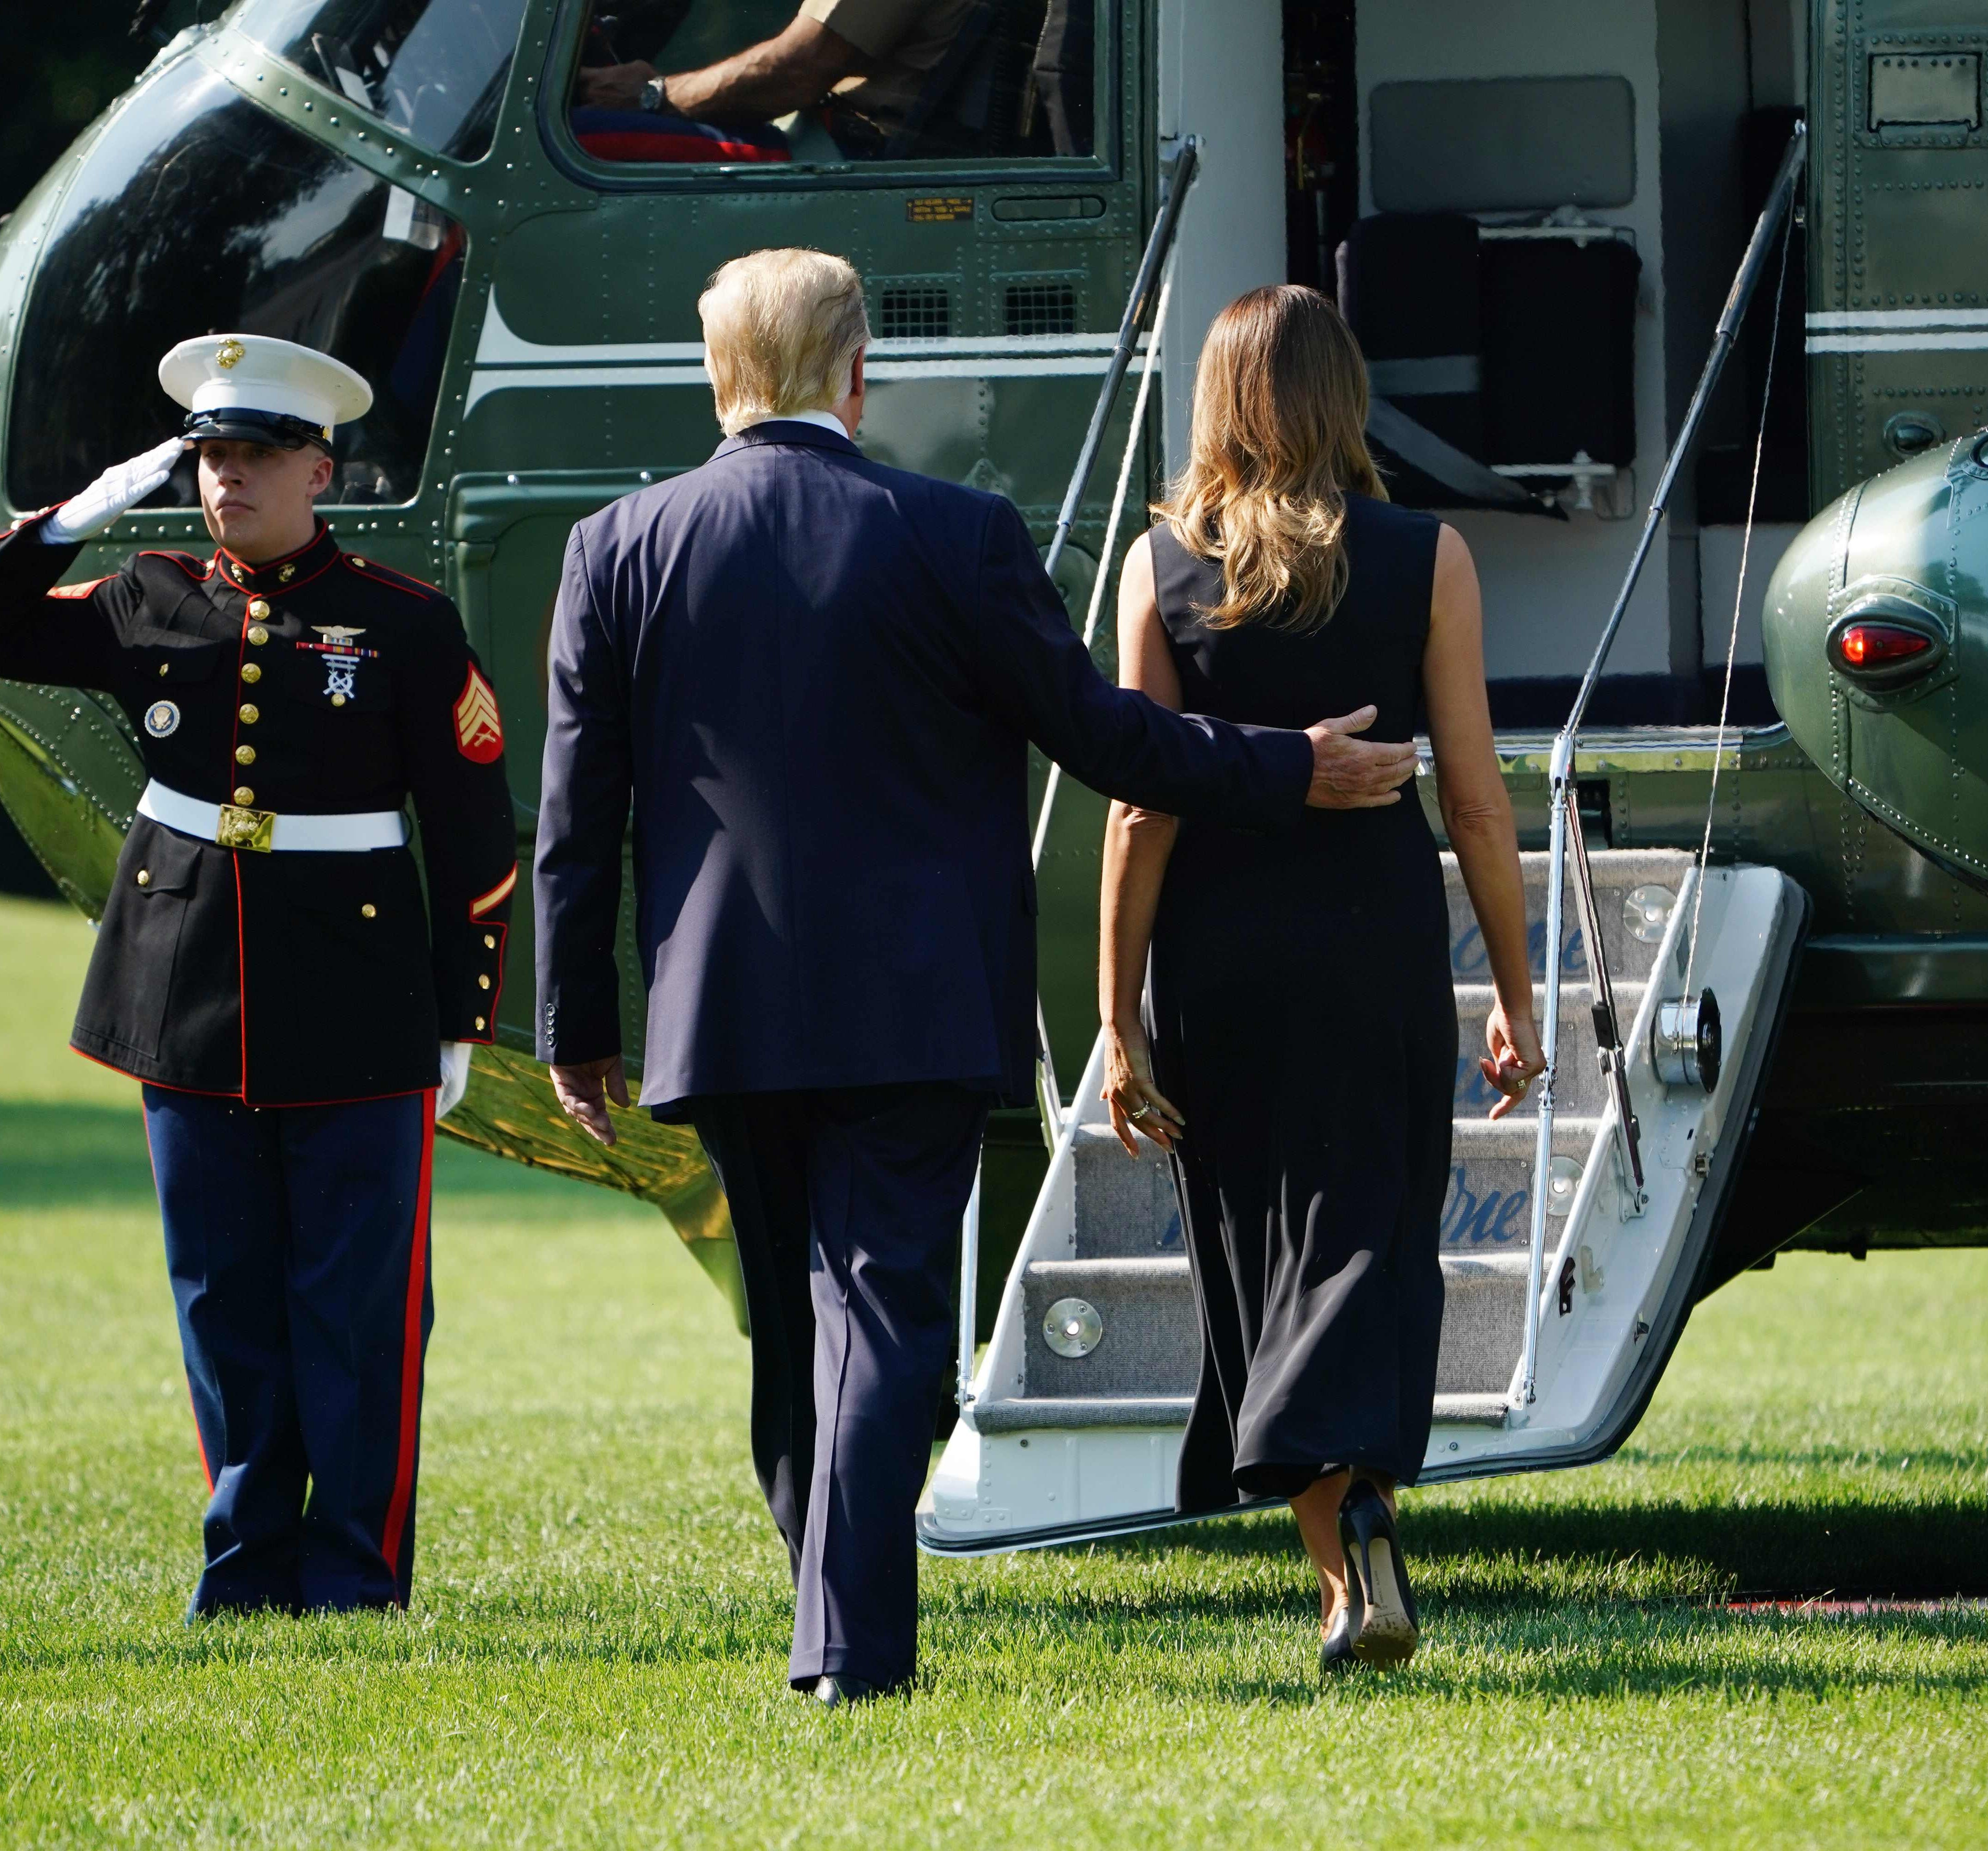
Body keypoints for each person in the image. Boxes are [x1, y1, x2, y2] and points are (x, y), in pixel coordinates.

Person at [533, 248, 1422, 1706]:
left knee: (792, 1326)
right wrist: (1290, 767)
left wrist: (577, 1027)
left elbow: (578, 815)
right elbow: (1106, 738)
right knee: (875, 1320)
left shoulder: (614, 546)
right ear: (856, 373)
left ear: (718, 376)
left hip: (724, 1009)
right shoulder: (955, 534)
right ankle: (847, 1638)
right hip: (916, 1001)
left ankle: (839, 1628)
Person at [0, 335, 519, 1616]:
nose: (226, 479)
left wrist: (460, 1015)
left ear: (322, 465)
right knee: (223, 1298)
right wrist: (73, 516)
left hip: (359, 999)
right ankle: (245, 1573)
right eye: (208, 455)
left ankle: (357, 1575)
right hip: (183, 987)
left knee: (357, 1311)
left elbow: (474, 836)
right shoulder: (149, 597)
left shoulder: (402, 625)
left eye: (254, 455)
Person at [1096, 285, 1544, 1674]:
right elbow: (1473, 799)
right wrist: (1516, 996)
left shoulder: (1160, 562)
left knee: (1262, 1254)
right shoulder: (1429, 554)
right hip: (1374, 940)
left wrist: (1117, 1023)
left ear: (1217, 402)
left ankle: (1344, 1552)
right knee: (1370, 1235)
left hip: (1220, 954)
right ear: (1345, 397)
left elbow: (1137, 809)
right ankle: (1359, 1522)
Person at [575, 0, 1070, 161]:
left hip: (850, 157)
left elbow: (796, 71)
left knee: (582, 136)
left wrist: (652, 96)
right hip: (852, 146)